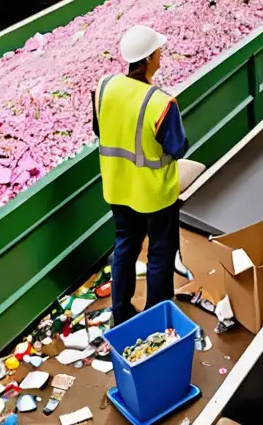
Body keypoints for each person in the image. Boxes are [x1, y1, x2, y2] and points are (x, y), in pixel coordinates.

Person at [93, 25, 206, 325]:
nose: (160, 57)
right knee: (159, 254)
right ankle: (155, 317)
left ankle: (120, 314)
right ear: (147, 59)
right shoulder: (160, 103)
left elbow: (99, 129)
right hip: (155, 195)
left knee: (125, 248)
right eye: (158, 53)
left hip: (117, 188)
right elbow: (178, 146)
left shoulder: (105, 88)